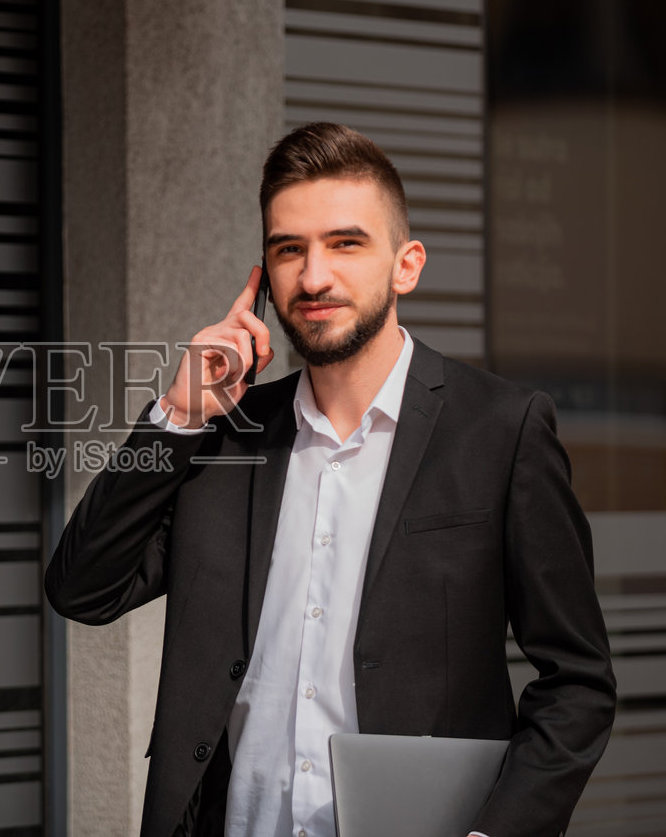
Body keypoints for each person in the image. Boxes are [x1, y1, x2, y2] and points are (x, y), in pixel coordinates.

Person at [44, 122, 616, 837]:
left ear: (406, 265)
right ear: (265, 277)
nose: (314, 277)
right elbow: (83, 587)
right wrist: (177, 412)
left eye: (346, 243)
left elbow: (578, 682)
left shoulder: (500, 430)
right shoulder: (225, 435)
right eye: (290, 250)